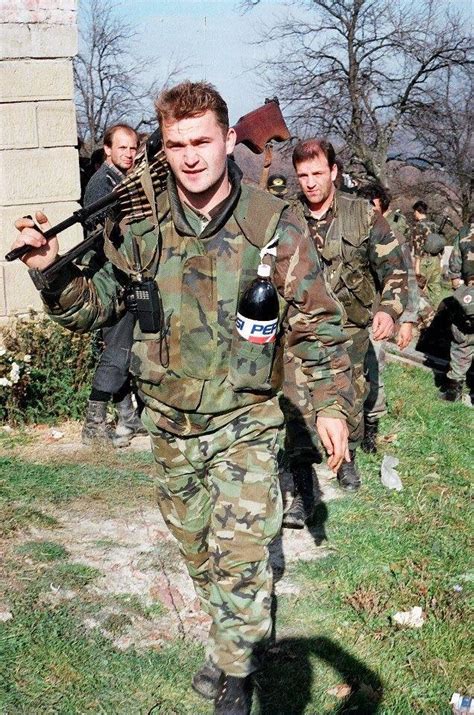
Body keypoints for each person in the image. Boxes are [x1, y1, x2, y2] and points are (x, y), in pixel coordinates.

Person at [12, 81, 354, 715]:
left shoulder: (270, 225)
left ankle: (235, 678)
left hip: (245, 419)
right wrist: (49, 269)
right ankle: (235, 638)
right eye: (176, 145)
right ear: (161, 148)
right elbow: (94, 309)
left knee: (246, 557)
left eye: (202, 141)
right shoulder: (142, 226)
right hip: (168, 425)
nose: (191, 157)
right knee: (200, 551)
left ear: (229, 141)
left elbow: (318, 323)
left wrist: (332, 405)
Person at [282, 138, 407, 526]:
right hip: (299, 329)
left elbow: (396, 271)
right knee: (297, 406)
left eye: (318, 173)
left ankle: (345, 460)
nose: (311, 183)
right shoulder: (285, 217)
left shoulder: (362, 216)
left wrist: (389, 309)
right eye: (303, 176)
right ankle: (302, 490)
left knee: (349, 398)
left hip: (350, 328)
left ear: (334, 172)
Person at [81, 124, 147, 448]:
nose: (129, 153)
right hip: (111, 279)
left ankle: (129, 418)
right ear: (107, 150)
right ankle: (93, 425)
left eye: (133, 148)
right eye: (122, 148)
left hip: (125, 275)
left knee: (126, 348)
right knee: (117, 349)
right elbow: (101, 239)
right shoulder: (101, 185)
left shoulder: (119, 180)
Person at [358, 183, 420, 452]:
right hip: (348, 315)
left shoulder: (391, 236)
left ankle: (370, 429)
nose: (369, 212)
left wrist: (407, 319)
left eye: (373, 207)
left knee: (374, 372)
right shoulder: (348, 230)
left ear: (382, 207)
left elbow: (406, 279)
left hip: (378, 316)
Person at [441, 216, 474, 401]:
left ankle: (454, 390)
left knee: (463, 342)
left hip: (468, 299)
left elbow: (454, 274)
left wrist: (465, 295)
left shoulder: (464, 233)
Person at [411, 200, 444, 308]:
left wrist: (416, 269)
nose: (414, 214)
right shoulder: (435, 225)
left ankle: (426, 317)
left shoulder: (417, 227)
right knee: (435, 289)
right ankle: (439, 314)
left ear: (417, 211)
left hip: (423, 261)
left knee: (420, 289)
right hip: (436, 259)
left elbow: (418, 249)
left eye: (414, 212)